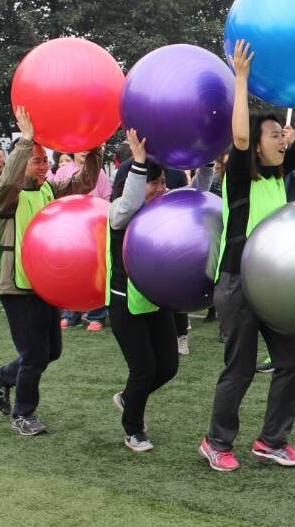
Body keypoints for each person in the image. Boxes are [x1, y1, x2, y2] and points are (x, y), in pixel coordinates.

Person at [199, 40, 295, 472]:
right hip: (238, 282)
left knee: (292, 361)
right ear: (257, 145)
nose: (282, 139)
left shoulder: (279, 170)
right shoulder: (240, 173)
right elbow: (240, 136)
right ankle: (216, 442)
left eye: (282, 134)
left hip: (272, 286)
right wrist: (240, 79)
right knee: (239, 370)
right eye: (274, 135)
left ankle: (271, 441)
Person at [0, 107, 101, 436]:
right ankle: (23, 414)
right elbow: (8, 179)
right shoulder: (6, 196)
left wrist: (94, 149)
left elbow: (84, 182)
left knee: (52, 352)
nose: (44, 165)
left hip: (46, 284)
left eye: (45, 160)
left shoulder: (49, 189)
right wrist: (26, 140)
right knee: (34, 354)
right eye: (37, 161)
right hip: (17, 286)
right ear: (21, 162)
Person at [107, 129, 214, 452]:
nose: (161, 188)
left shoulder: (164, 208)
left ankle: (128, 398)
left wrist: (206, 161)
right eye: (154, 182)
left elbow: (197, 194)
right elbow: (129, 204)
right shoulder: (119, 211)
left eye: (163, 181)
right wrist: (139, 163)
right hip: (127, 304)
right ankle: (133, 429)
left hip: (158, 301)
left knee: (167, 367)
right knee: (143, 370)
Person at [53, 151, 113, 330]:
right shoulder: (63, 171)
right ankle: (70, 314)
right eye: (81, 147)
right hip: (69, 229)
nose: (84, 151)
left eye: (88, 147)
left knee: (97, 270)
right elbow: (56, 199)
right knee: (70, 270)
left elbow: (106, 198)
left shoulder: (99, 172)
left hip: (94, 227)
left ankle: (96, 315)